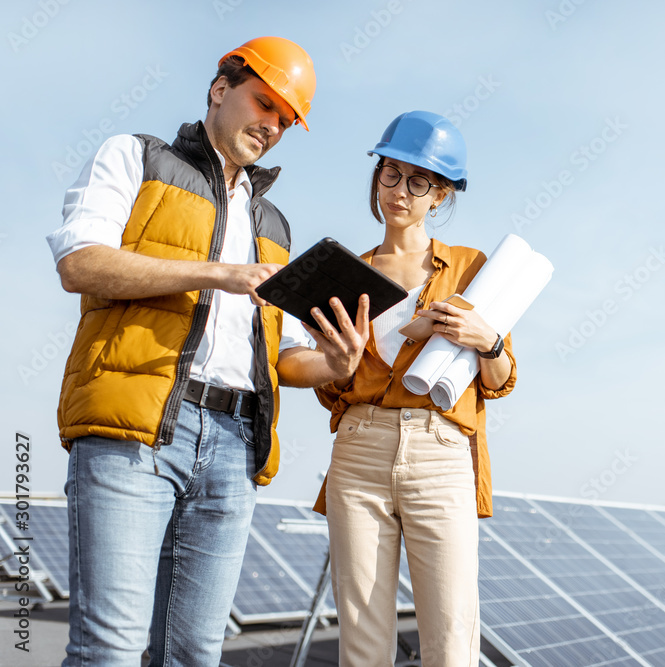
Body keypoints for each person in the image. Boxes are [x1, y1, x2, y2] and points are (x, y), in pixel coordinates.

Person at [46, 37, 319, 666]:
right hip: (133, 433)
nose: (272, 125)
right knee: (110, 648)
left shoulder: (274, 226)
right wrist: (215, 272)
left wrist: (336, 359)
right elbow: (81, 263)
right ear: (220, 89)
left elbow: (285, 356)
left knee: (194, 652)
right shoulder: (138, 158)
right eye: (264, 103)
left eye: (286, 119)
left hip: (234, 446)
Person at [282, 110, 516, 666]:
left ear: (441, 195)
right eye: (391, 173)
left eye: (420, 182)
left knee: (452, 636)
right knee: (361, 639)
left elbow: (500, 382)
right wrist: (342, 361)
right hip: (359, 449)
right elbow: (326, 386)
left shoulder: (471, 268)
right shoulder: (342, 273)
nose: (400, 192)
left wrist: (489, 342)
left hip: (441, 454)